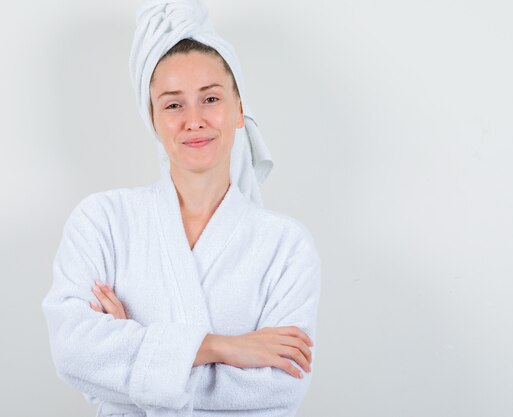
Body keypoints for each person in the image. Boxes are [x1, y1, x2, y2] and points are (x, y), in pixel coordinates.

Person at [41, 1, 321, 416]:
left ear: (240, 111)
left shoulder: (285, 245)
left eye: (210, 98)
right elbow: (72, 353)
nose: (194, 120)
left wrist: (130, 359)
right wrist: (225, 347)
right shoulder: (102, 221)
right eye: (173, 104)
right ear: (153, 118)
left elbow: (280, 386)